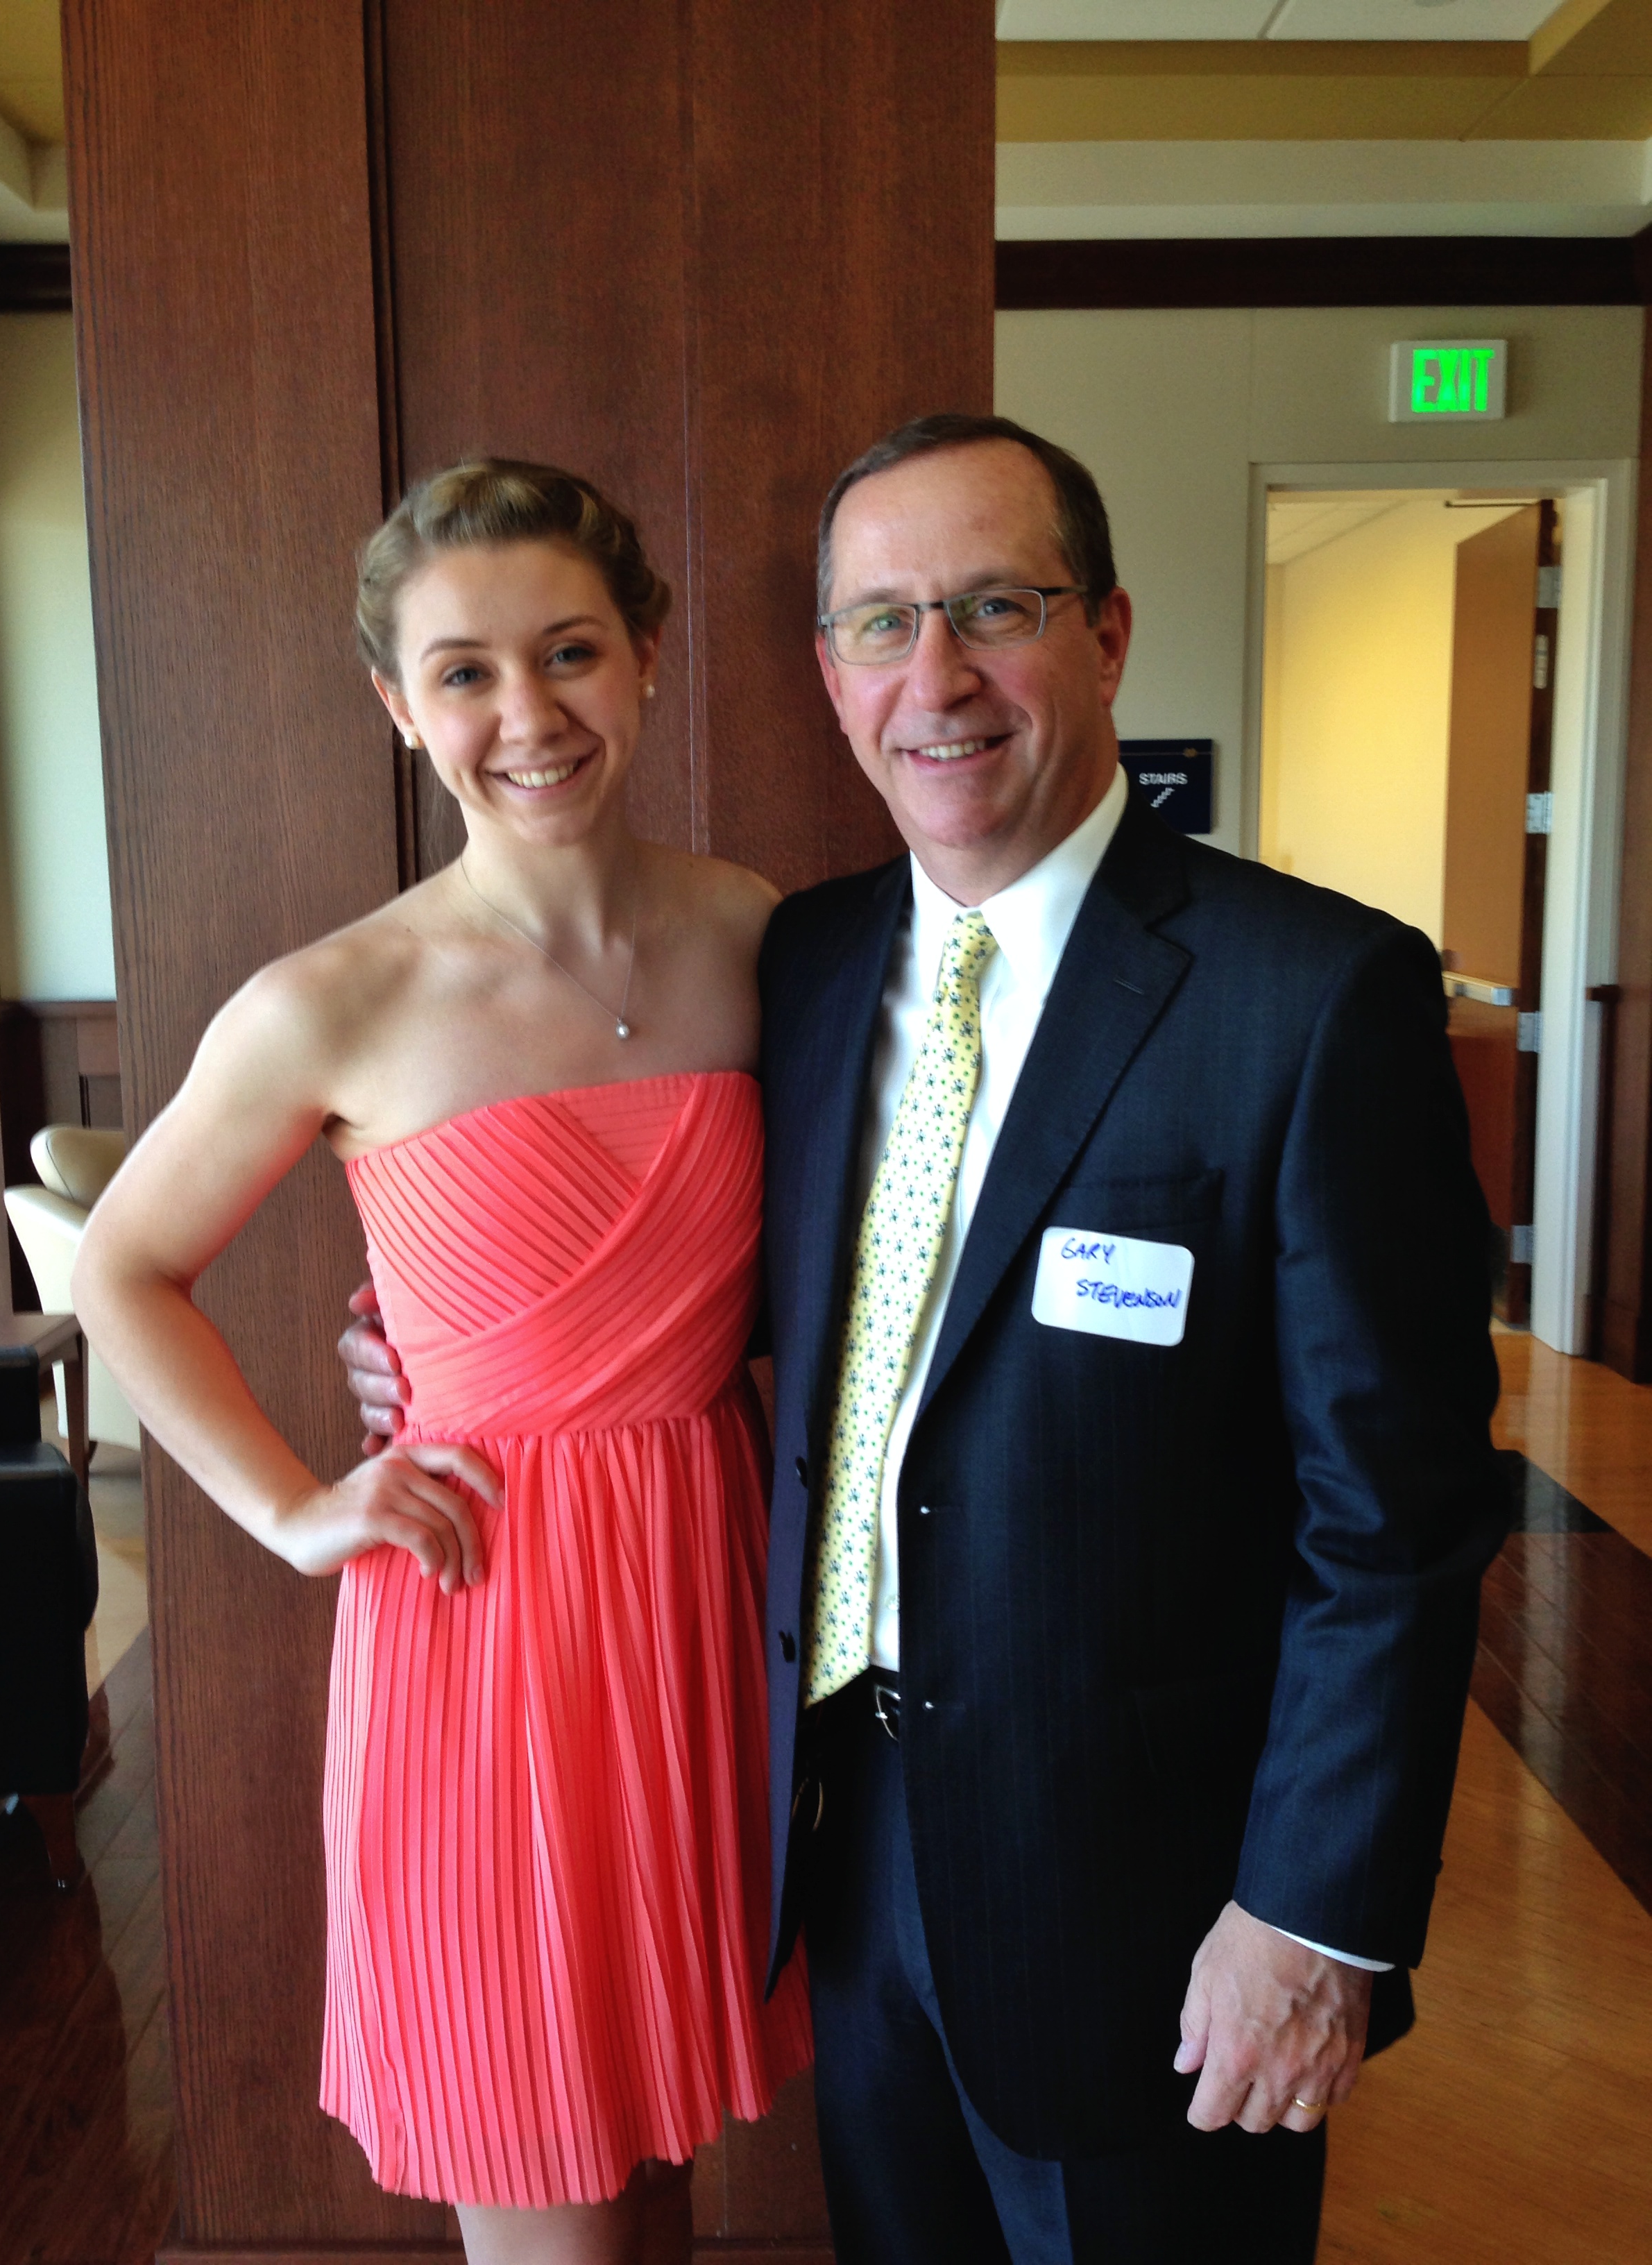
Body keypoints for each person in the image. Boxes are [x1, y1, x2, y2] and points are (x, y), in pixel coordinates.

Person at [345, 415, 1507, 2264]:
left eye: (996, 608)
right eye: (883, 624)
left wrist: (1313, 1918)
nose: (937, 675)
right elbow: (726, 1297)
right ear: (829, 672)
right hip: (847, 1842)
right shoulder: (801, 967)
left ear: (1107, 634)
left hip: (1162, 1905)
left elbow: (1400, 1517)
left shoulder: (1312, 994)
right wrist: (439, 1337)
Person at [74, 459, 811, 2265]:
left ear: (645, 654)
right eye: (464, 673)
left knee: (658, 2155)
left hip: (709, 1591)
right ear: (399, 708)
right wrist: (294, 1510)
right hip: (488, 1627)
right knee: (540, 2156)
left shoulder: (760, 935)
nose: (528, 714)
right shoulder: (335, 998)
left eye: (570, 650)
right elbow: (122, 1267)